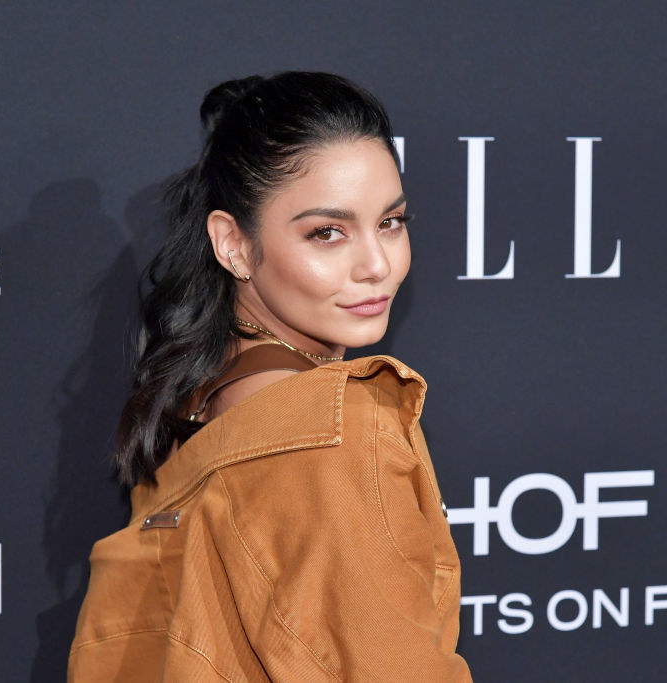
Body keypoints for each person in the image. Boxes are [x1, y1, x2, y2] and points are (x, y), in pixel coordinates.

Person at [69, 71, 473, 682]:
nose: (377, 264)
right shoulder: (328, 433)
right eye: (327, 232)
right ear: (232, 244)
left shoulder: (208, 392)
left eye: (391, 221)